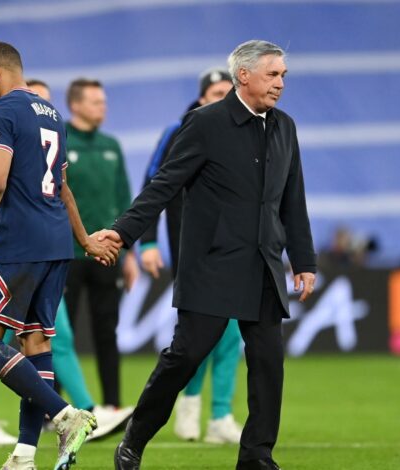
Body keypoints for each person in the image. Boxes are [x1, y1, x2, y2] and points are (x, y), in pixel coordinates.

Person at [98, 40, 317, 470]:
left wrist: (304, 261)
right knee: (184, 358)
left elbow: (293, 199)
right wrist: (123, 233)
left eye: (283, 75)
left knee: (268, 365)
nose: (280, 83)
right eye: (273, 74)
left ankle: (256, 457)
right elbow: (164, 184)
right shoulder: (204, 123)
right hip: (212, 265)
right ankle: (135, 439)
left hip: (264, 266)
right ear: (244, 75)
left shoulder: (285, 127)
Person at [0, 42, 118, 470]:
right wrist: (83, 240)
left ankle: (65, 415)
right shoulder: (53, 114)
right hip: (57, 243)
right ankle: (24, 456)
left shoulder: (1, 112)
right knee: (35, 343)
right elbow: (63, 187)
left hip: (16, 243)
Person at [139, 68, 243, 444]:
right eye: (215, 92)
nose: (222, 98)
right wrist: (147, 242)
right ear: (201, 98)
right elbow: (154, 184)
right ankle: (190, 402)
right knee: (198, 334)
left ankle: (220, 416)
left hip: (235, 249)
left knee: (232, 333)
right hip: (192, 250)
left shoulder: (245, 132)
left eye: (227, 92)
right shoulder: (179, 130)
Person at [62, 78, 138, 417]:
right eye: (95, 102)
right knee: (59, 334)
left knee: (107, 330)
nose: (102, 107)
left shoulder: (112, 145)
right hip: (68, 253)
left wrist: (129, 254)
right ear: (75, 105)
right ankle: (54, 410)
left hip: (108, 254)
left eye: (103, 102)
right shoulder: (60, 141)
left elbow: (124, 200)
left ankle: (113, 404)